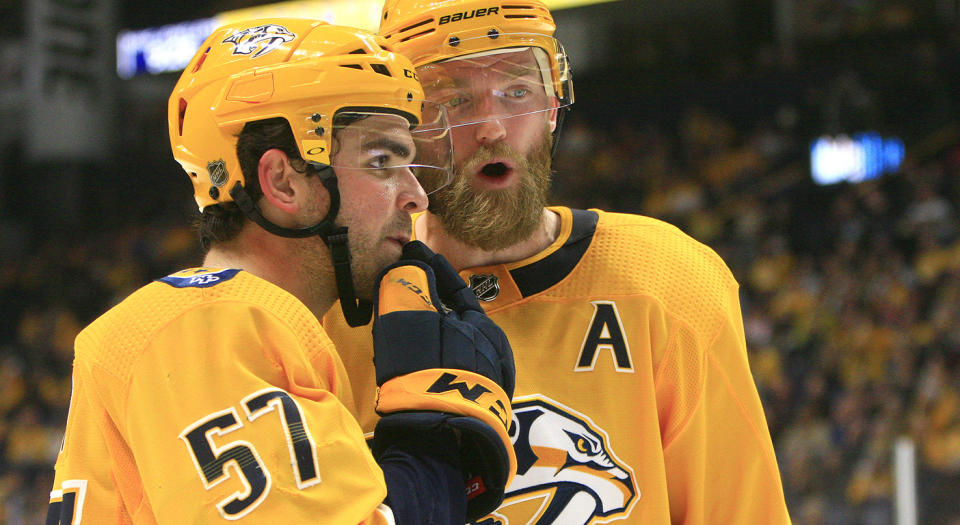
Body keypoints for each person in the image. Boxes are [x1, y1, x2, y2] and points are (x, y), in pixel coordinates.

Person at [323, 1, 793, 523]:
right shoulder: (335, 303)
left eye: (517, 91)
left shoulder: (667, 279)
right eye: (453, 100)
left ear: (551, 105)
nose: (492, 129)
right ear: (406, 126)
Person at [45, 18, 516, 524]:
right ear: (282, 182)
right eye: (381, 161)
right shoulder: (206, 329)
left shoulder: (233, 325)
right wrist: (432, 450)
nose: (416, 196)